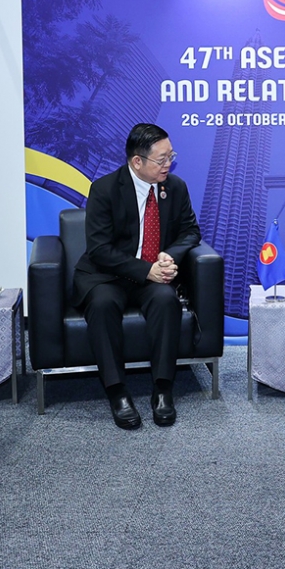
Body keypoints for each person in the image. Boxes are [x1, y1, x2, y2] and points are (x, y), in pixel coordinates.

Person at [73, 123, 201, 429]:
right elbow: (100, 249)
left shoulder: (176, 187)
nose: (168, 164)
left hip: (151, 278)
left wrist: (170, 256)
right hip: (107, 275)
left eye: (171, 156)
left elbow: (190, 231)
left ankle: (163, 389)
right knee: (103, 306)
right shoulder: (104, 189)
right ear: (137, 162)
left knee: (166, 301)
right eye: (162, 159)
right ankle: (118, 392)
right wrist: (147, 270)